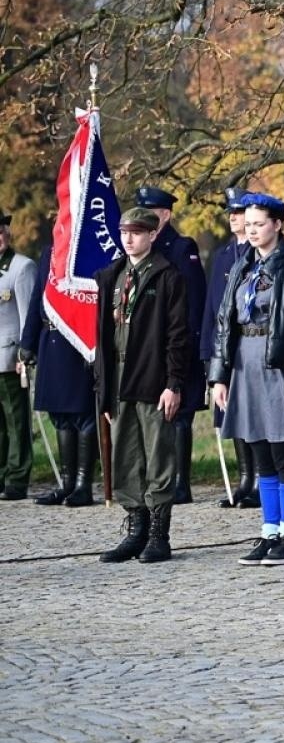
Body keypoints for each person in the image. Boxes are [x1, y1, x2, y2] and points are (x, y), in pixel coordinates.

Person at [210, 193, 284, 566]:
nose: (252, 230)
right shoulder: (242, 269)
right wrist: (220, 376)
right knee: (260, 452)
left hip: (278, 367)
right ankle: (269, 530)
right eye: (248, 223)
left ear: (277, 225)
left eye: (260, 223)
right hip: (244, 365)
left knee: (283, 452)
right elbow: (224, 323)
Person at [95, 207, 189, 564]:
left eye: (137, 232)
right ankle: (136, 529)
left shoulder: (167, 276)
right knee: (125, 456)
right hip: (118, 379)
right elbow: (103, 338)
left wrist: (173, 383)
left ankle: (158, 535)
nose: (129, 239)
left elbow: (178, 336)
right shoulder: (113, 276)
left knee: (158, 456)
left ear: (152, 235)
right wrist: (103, 389)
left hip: (152, 378)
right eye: (125, 232)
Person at [134, 185, 207, 505]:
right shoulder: (143, 250)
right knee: (154, 413)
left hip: (179, 344)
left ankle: (180, 482)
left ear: (164, 215)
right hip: (151, 346)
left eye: (150, 213)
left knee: (180, 415)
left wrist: (189, 345)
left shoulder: (181, 248)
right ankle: (157, 476)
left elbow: (193, 301)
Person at [20, 240, 99, 506]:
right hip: (50, 340)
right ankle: (66, 483)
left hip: (78, 342)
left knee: (83, 414)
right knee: (60, 415)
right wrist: (27, 343)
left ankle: (82, 484)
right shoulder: (51, 251)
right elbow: (37, 298)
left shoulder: (88, 246)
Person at [203, 187, 259, 509]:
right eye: (231, 213)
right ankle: (244, 479)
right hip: (225, 348)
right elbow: (213, 308)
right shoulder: (223, 255)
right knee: (232, 413)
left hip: (250, 344)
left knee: (253, 414)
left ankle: (259, 482)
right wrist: (207, 354)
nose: (233, 218)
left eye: (239, 212)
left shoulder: (256, 251)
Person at [0, 212, 37, 500]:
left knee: (16, 421)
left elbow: (27, 317)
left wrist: (25, 354)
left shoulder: (22, 268)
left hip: (9, 357)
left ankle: (17, 476)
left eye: (2, 230)